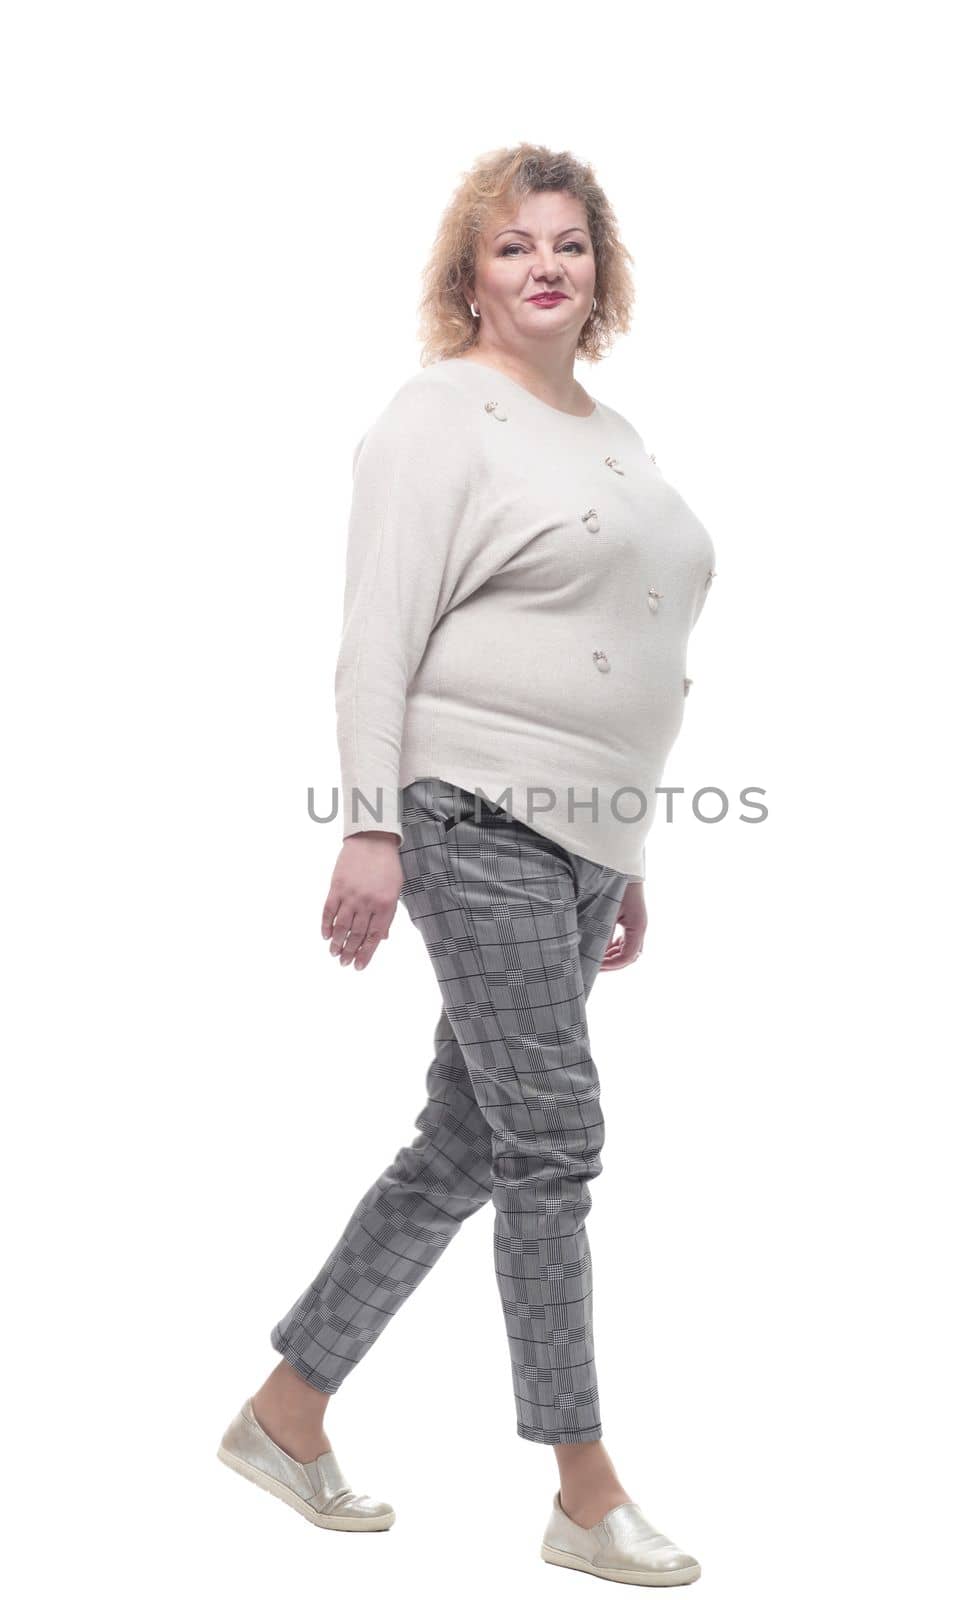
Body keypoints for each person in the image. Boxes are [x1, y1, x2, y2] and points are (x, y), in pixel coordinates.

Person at [218, 142, 715, 1587]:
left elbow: (619, 646)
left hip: (579, 838)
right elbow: (377, 632)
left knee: (470, 1143)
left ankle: (284, 1415)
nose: (544, 266)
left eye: (569, 245)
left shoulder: (616, 432)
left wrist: (622, 854)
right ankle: (582, 1483)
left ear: (600, 274)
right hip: (468, 815)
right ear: (470, 278)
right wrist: (371, 822)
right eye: (512, 248)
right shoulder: (440, 415)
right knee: (556, 1139)